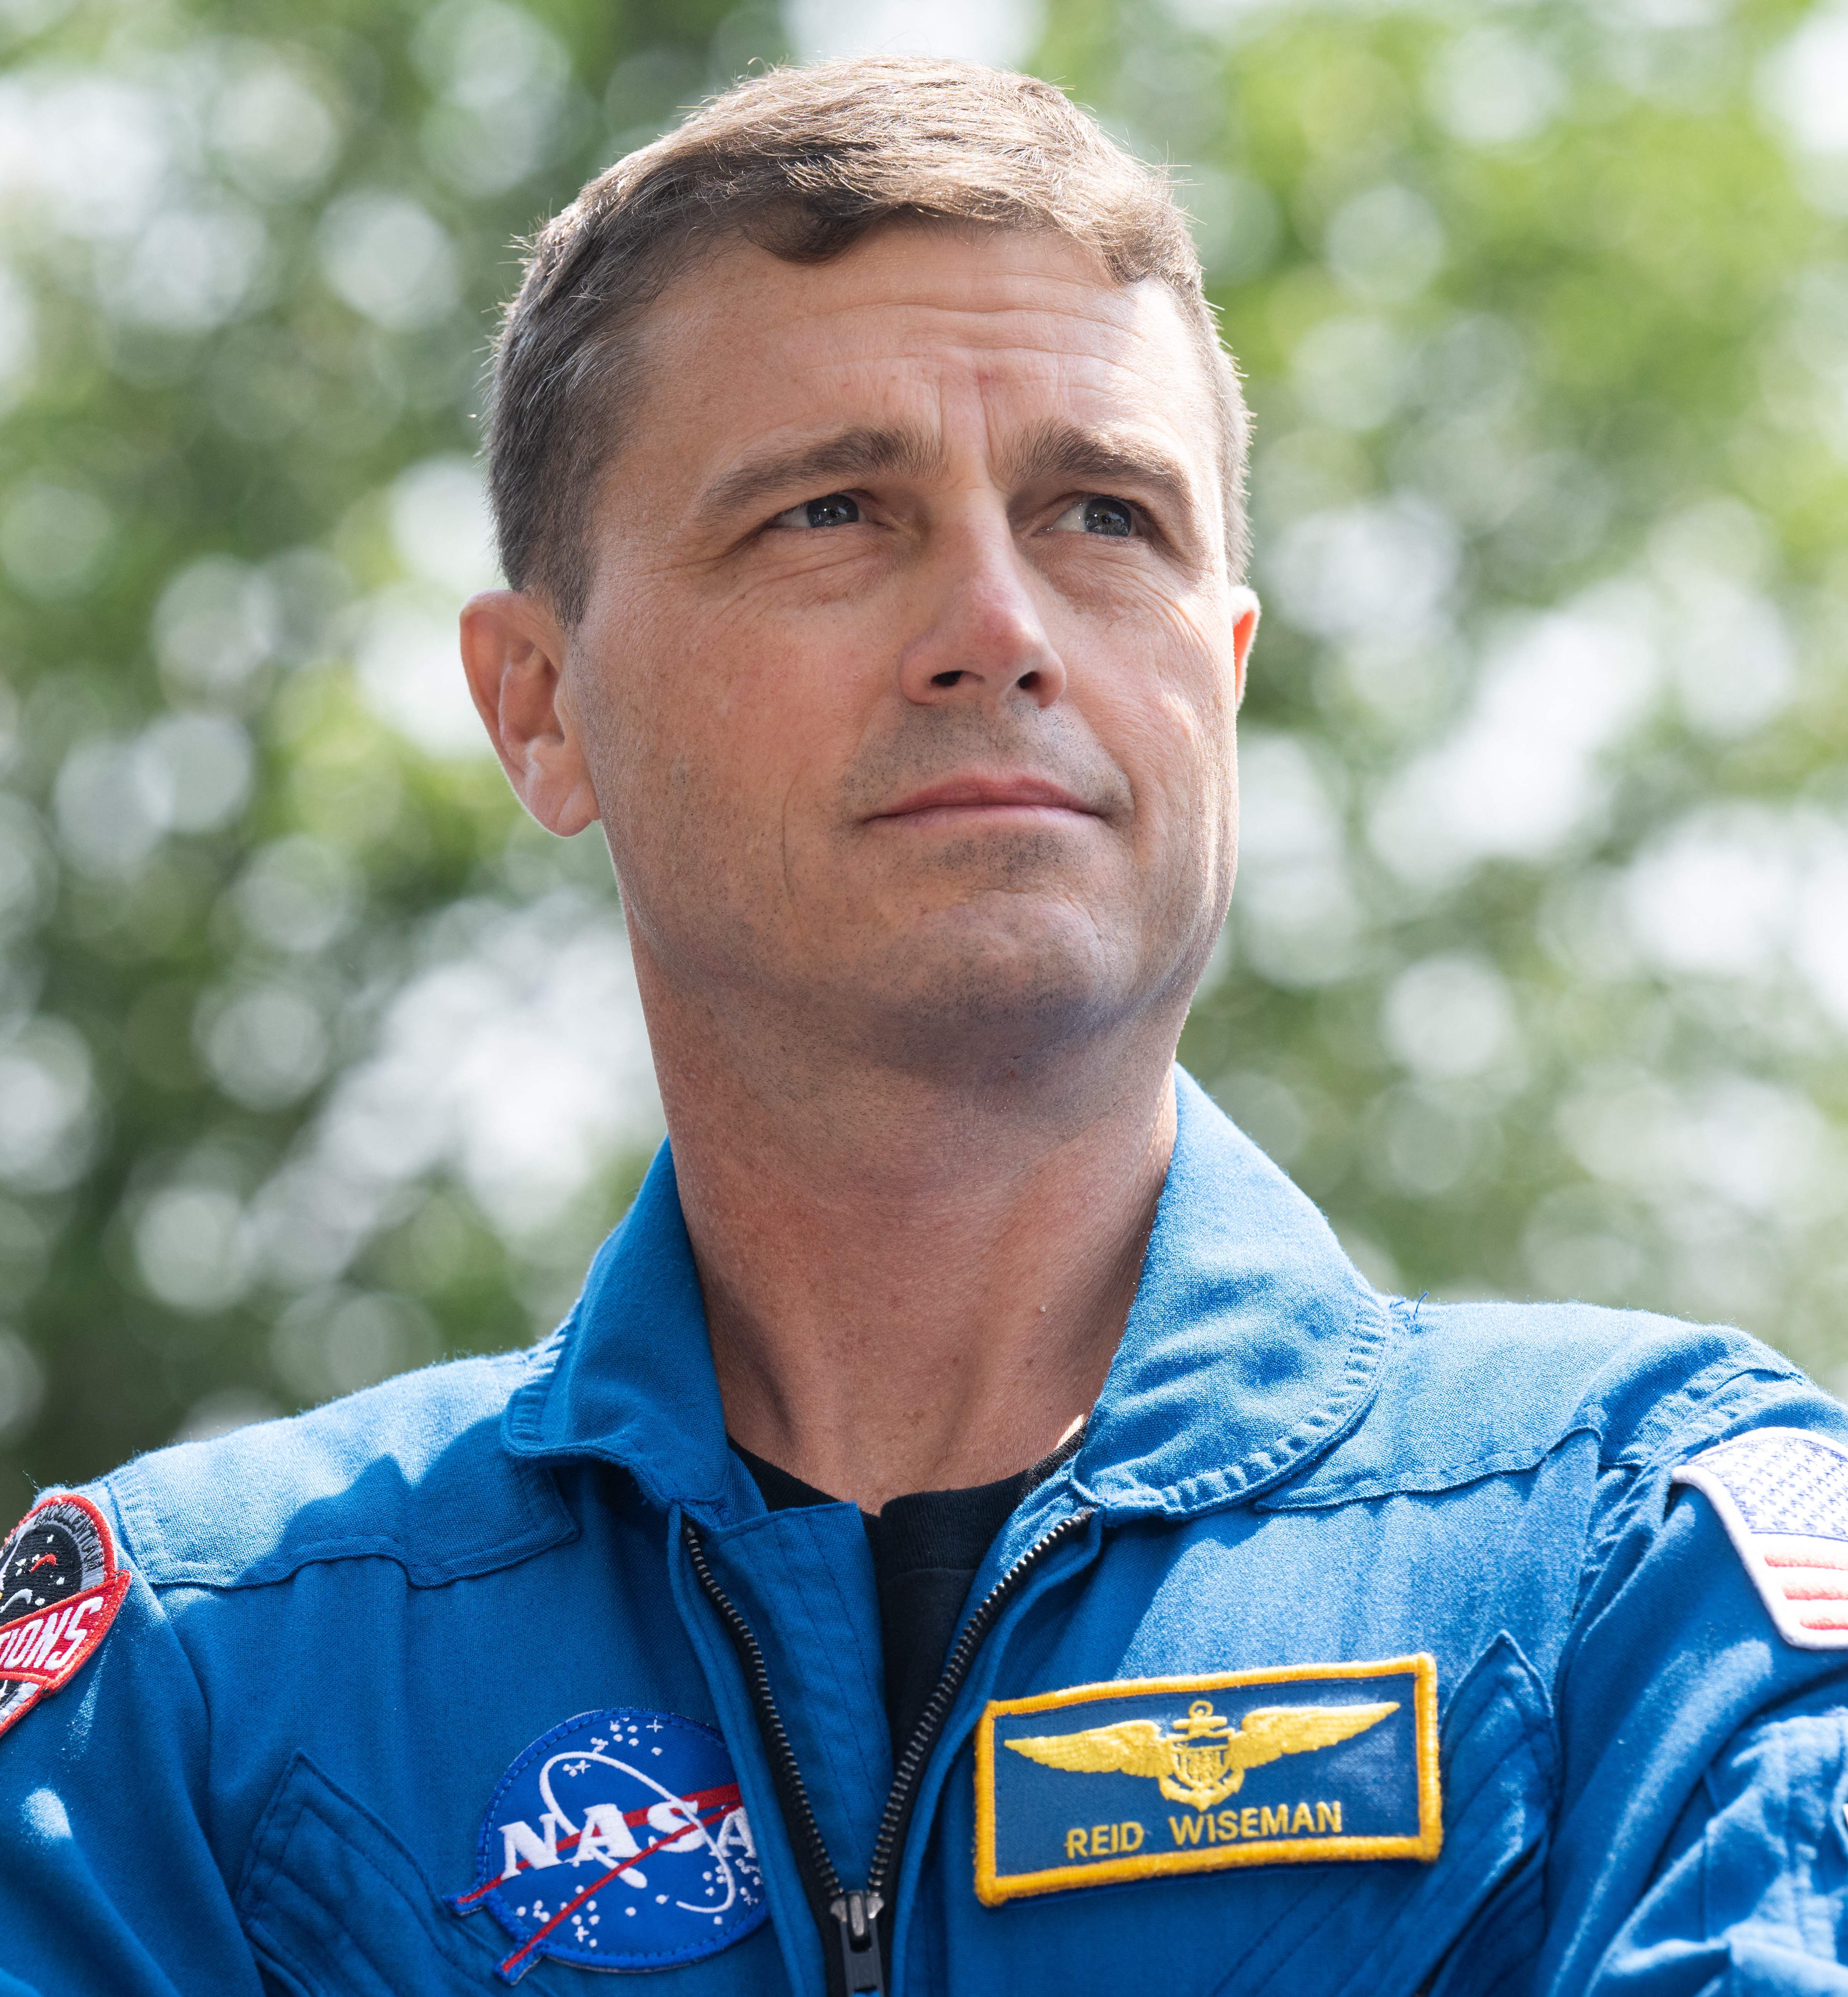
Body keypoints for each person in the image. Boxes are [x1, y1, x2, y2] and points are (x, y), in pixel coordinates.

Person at [4, 55, 1847, 1997]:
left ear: (1222, 677)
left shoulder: (1642, 1583)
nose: (999, 620)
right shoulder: (197, 1690)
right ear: (540, 705)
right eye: (831, 511)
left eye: (1107, 516)